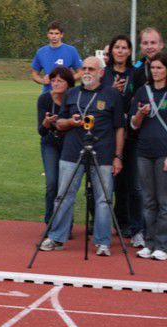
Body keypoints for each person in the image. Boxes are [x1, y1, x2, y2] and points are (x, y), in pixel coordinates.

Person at [41, 56, 125, 256]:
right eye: (84, 68)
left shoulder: (112, 95)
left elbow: (120, 128)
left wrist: (118, 156)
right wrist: (71, 122)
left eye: (91, 69)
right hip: (72, 151)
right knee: (63, 195)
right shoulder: (71, 93)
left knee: (104, 199)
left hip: (103, 153)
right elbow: (59, 124)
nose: (87, 72)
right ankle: (56, 237)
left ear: (101, 73)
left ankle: (103, 242)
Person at [103, 35, 145, 248]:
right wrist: (112, 91)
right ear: (111, 51)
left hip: (132, 134)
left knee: (135, 185)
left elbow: (138, 96)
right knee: (115, 184)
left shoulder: (135, 72)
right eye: (116, 47)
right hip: (109, 135)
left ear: (129, 51)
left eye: (124, 47)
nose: (120, 51)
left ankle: (138, 228)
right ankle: (121, 225)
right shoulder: (105, 73)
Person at [130, 51, 167, 261]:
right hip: (144, 151)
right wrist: (140, 114)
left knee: (164, 201)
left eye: (160, 68)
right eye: (153, 68)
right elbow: (134, 125)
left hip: (164, 152)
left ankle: (162, 244)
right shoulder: (144, 91)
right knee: (148, 200)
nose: (156, 71)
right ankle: (149, 241)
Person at [37, 66, 75, 224]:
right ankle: (50, 223)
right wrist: (46, 123)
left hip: (69, 145)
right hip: (50, 143)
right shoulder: (44, 99)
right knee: (52, 183)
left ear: (69, 83)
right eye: (53, 80)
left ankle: (66, 224)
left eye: (60, 80)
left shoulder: (74, 98)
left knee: (66, 186)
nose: (55, 83)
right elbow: (41, 131)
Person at [31, 21, 83, 93]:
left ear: (61, 35)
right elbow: (34, 74)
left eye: (56, 33)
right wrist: (42, 81)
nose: (53, 36)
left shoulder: (71, 50)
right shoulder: (41, 52)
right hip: (48, 94)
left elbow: (81, 72)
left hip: (67, 94)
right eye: (51, 33)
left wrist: (66, 80)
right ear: (47, 35)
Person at [132, 28, 165, 96]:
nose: (149, 47)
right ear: (141, 46)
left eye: (153, 43)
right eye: (145, 43)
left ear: (161, 45)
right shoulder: (136, 68)